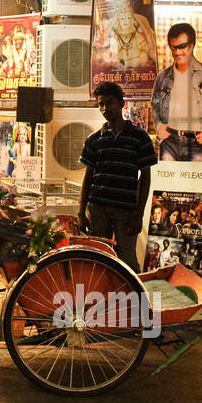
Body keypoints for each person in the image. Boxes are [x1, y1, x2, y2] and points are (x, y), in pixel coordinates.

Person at [78, 81, 158, 273]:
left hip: (125, 211)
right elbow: (88, 177)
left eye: (110, 103)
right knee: (98, 260)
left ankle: (138, 302)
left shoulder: (140, 138)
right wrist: (81, 212)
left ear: (122, 104)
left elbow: (145, 178)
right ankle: (101, 301)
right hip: (97, 209)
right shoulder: (94, 139)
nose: (105, 109)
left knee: (128, 262)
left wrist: (139, 214)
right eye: (101, 104)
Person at [151, 22, 202, 162]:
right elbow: (155, 104)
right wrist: (158, 126)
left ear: (192, 45)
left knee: (197, 184)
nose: (177, 52)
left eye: (182, 46)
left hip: (198, 142)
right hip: (170, 142)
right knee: (168, 184)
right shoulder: (162, 78)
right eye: (173, 47)